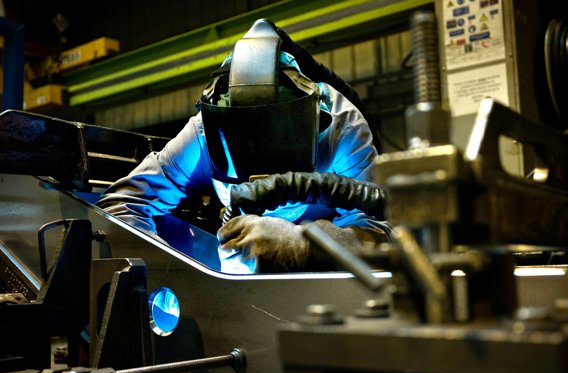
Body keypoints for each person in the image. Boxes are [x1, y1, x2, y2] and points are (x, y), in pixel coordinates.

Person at [96, 18, 390, 273]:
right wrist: (174, 273)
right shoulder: (204, 133)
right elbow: (121, 204)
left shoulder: (341, 128)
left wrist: (302, 247)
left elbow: (380, 232)